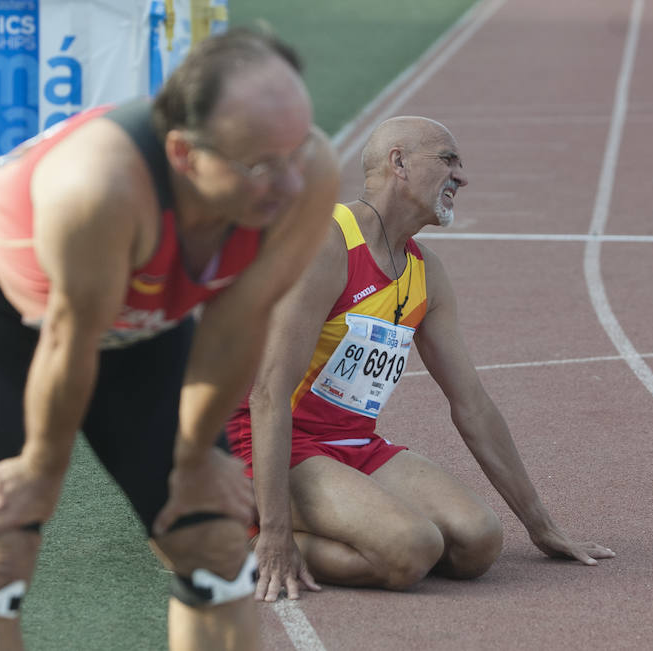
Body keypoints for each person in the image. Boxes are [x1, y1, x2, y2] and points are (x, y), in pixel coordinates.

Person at [0, 28, 339, 650]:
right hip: (8, 313)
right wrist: (40, 469)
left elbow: (237, 325)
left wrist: (198, 457)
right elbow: (71, 341)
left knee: (212, 537)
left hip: (145, 311)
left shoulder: (307, 176)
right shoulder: (98, 187)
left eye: (296, 150)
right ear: (183, 154)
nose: (287, 186)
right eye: (259, 165)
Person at [226, 115, 614, 603]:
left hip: (352, 444)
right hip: (264, 443)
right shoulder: (324, 245)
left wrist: (542, 526)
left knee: (478, 543)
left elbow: (471, 403)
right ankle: (241, 538)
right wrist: (278, 537)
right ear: (399, 163)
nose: (462, 176)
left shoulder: (425, 273)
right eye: (448, 159)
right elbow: (266, 395)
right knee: (411, 549)